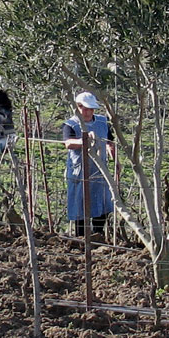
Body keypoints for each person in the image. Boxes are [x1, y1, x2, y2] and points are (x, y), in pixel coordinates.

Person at [62, 91, 116, 237]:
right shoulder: (71, 124)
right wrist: (84, 140)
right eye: (85, 108)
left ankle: (98, 234)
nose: (88, 112)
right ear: (78, 107)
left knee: (102, 203)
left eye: (91, 109)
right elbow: (68, 143)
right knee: (80, 205)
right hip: (79, 172)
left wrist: (114, 159)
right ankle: (81, 237)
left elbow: (110, 142)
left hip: (99, 170)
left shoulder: (102, 122)